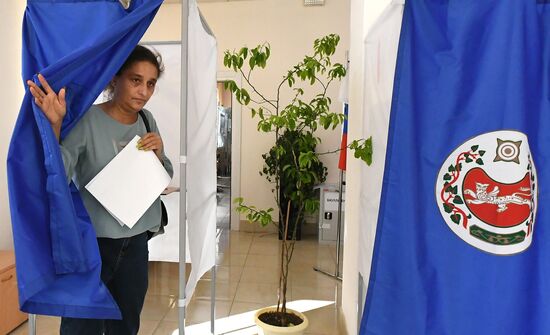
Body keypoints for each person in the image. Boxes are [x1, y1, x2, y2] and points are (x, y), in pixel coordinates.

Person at [26, 45, 173, 335]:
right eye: (135, 80)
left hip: (136, 243)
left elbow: (164, 175)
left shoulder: (147, 120)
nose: (143, 91)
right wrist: (55, 125)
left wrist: (159, 154)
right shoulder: (87, 120)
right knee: (81, 327)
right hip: (93, 246)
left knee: (126, 324)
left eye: (151, 83)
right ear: (114, 78)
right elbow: (59, 173)